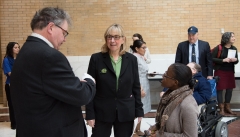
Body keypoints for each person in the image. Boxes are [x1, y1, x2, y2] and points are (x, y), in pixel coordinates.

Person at [10, 7, 96, 137]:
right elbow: (81, 95)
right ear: (51, 27)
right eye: (64, 33)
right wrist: (89, 81)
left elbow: (46, 88)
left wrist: (70, 84)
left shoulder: (26, 50)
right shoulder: (49, 56)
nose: (64, 39)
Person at [86, 24, 144, 137]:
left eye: (116, 37)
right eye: (109, 37)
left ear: (123, 39)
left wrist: (139, 110)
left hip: (125, 112)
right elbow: (89, 87)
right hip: (102, 112)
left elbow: (135, 86)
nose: (112, 40)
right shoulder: (96, 59)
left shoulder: (131, 60)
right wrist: (90, 114)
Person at [147, 63, 198, 137]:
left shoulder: (188, 105)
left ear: (175, 82)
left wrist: (160, 135)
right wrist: (157, 127)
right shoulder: (169, 97)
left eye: (166, 75)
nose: (163, 76)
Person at [212, 32, 239, 115]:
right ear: (227, 38)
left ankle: (228, 107)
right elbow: (211, 58)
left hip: (230, 71)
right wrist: (223, 60)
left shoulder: (234, 48)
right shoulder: (219, 48)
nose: (234, 38)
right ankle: (221, 109)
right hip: (220, 71)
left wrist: (235, 60)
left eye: (234, 36)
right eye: (232, 37)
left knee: (229, 89)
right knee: (219, 90)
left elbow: (237, 60)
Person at [130, 40, 151, 136]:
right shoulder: (134, 58)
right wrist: (140, 89)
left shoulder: (141, 57)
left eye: (145, 47)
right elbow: (135, 75)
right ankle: (133, 130)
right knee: (137, 108)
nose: (145, 49)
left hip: (144, 82)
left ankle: (137, 129)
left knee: (141, 109)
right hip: (139, 84)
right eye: (143, 48)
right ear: (136, 49)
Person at [2, 42, 20, 129]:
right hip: (10, 85)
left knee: (20, 104)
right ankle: (14, 124)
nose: (17, 49)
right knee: (12, 104)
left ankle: (20, 122)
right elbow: (10, 73)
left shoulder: (20, 59)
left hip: (20, 85)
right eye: (15, 47)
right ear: (11, 49)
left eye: (18, 47)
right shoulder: (6, 60)